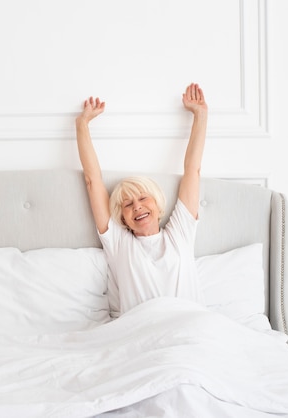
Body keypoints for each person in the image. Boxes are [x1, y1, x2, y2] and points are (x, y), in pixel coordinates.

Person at [75, 83, 208, 315]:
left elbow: (193, 170)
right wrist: (82, 124)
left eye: (143, 198)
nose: (137, 206)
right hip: (142, 334)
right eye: (127, 204)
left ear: (157, 207)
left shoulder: (180, 232)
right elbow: (92, 181)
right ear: (123, 219)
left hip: (189, 327)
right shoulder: (119, 243)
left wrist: (200, 115)